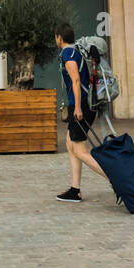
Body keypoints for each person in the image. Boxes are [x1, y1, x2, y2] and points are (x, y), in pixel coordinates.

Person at [55, 24, 107, 203]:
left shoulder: (67, 53)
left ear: (59, 37)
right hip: (83, 104)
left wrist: (77, 108)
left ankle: (116, 180)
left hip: (81, 105)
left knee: (80, 150)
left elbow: (76, 80)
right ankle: (75, 190)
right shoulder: (75, 51)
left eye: (56, 37)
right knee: (70, 143)